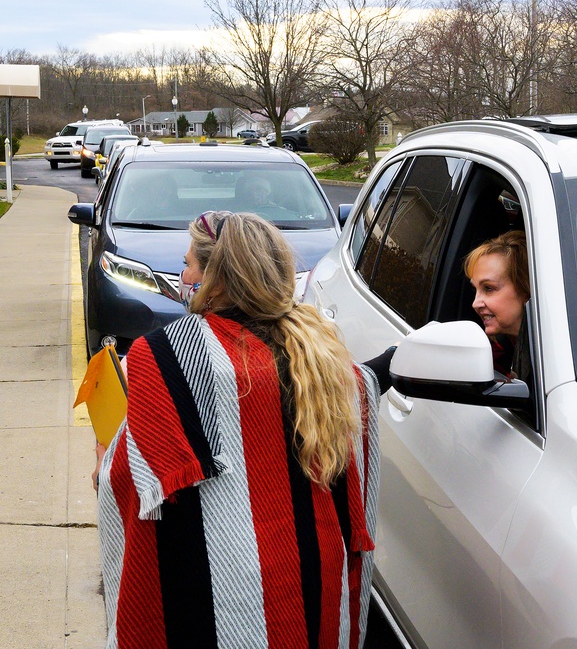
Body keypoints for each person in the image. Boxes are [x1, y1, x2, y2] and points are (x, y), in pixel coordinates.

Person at [95, 211, 383, 648]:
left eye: (190, 263)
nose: (182, 273)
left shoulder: (165, 360)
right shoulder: (322, 354)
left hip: (218, 594)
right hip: (311, 577)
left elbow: (131, 482)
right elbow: (361, 389)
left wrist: (103, 454)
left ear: (218, 279)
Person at [463, 230, 530, 378]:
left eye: (488, 288)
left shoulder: (565, 354)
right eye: (476, 289)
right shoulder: (488, 358)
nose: (475, 303)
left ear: (525, 289)